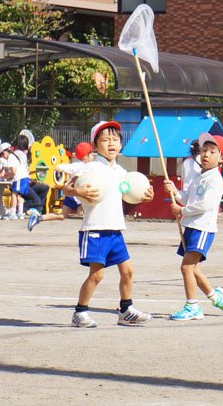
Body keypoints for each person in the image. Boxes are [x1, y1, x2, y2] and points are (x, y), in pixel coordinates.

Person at [62, 121, 154, 328]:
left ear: (121, 145)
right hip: (95, 229)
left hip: (115, 230)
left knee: (128, 271)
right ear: (95, 146)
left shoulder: (122, 171)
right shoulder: (90, 167)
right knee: (97, 275)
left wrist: (145, 196)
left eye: (115, 139)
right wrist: (79, 192)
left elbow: (130, 194)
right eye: (105, 140)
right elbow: (66, 188)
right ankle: (80, 313)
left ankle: (126, 310)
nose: (111, 143)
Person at [163, 132, 223, 321]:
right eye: (204, 150)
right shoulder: (198, 176)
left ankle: (192, 306)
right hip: (191, 227)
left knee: (186, 267)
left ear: (222, 159)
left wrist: (181, 211)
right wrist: (175, 191)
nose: (206, 154)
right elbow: (187, 197)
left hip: (202, 228)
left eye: (212, 152)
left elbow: (204, 205)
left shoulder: (215, 180)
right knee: (194, 269)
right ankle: (216, 297)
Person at [28, 142, 95, 231]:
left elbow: (59, 167)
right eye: (91, 153)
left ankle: (39, 218)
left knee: (62, 215)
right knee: (90, 210)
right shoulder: (79, 166)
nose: (93, 155)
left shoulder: (78, 165)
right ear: (85, 156)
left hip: (71, 196)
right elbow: (59, 167)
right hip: (78, 196)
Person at [6, 134, 31, 220]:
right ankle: (20, 213)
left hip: (19, 177)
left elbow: (13, 170)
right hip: (25, 177)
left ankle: (12, 212)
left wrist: (6, 176)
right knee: (19, 195)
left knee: (14, 193)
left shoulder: (13, 154)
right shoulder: (23, 155)